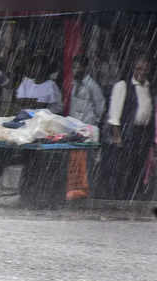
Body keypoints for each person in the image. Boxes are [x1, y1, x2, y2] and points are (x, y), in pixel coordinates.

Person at [103, 53, 155, 201]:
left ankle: (132, 197)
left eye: (145, 69)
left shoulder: (148, 87)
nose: (142, 72)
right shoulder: (123, 86)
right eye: (139, 68)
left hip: (142, 134)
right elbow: (114, 116)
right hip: (127, 134)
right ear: (133, 68)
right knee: (123, 168)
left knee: (138, 167)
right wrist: (118, 138)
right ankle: (119, 198)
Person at [66, 55, 106, 200]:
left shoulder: (92, 86)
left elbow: (100, 107)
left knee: (85, 162)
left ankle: (84, 192)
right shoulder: (74, 84)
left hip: (87, 130)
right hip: (75, 128)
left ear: (84, 68)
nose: (75, 70)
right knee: (74, 161)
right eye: (74, 67)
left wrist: (92, 123)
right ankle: (73, 191)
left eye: (78, 67)